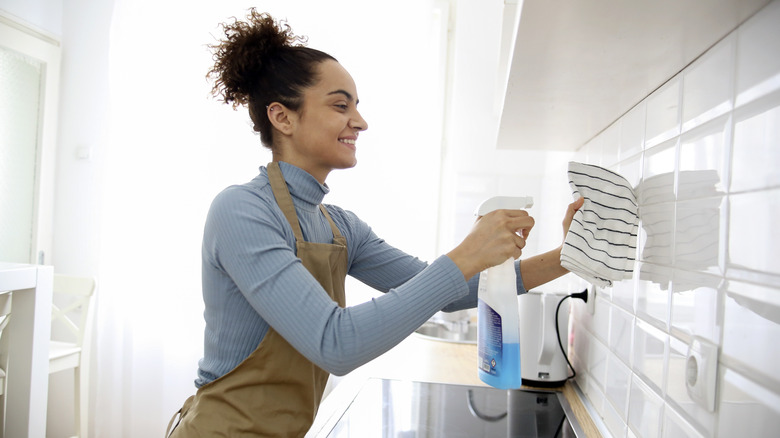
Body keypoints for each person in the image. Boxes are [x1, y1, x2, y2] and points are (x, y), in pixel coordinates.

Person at [167, 9, 583, 437]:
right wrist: (465, 254)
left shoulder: (339, 227)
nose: (360, 122)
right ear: (283, 117)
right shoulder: (241, 212)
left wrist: (570, 257)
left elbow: (453, 293)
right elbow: (336, 344)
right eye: (340, 105)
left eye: (357, 107)